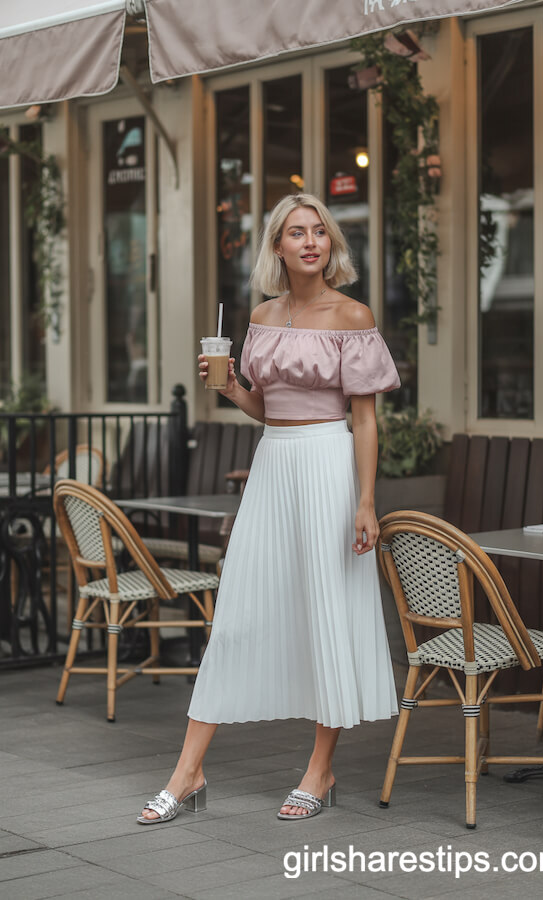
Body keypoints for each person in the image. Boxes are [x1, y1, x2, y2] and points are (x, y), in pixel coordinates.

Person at [138, 193, 400, 825]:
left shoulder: (352, 315)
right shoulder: (261, 314)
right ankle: (188, 770)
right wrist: (230, 385)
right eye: (295, 232)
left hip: (328, 467)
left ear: (330, 243)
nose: (310, 241)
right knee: (238, 614)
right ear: (277, 247)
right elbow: (267, 406)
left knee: (326, 612)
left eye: (319, 231)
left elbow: (364, 422)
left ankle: (320, 768)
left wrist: (366, 501)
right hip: (273, 466)